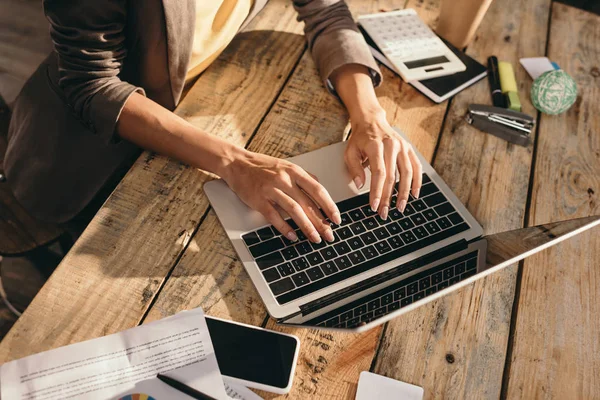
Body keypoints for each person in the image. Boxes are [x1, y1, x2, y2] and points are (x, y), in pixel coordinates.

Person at [4, 0, 422, 244]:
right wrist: (235, 163)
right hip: (82, 151)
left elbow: (326, 11)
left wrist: (369, 117)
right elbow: (91, 84)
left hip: (188, 110)